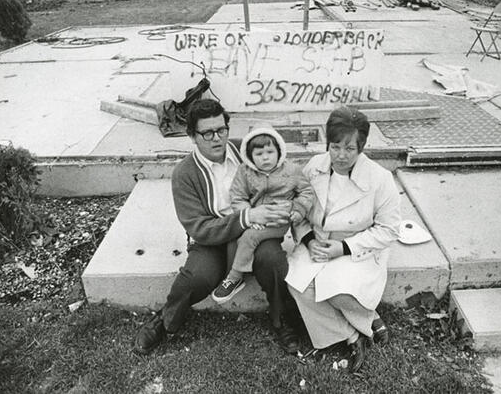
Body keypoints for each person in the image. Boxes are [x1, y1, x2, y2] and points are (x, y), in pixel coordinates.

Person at [133, 99, 302, 355]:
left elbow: (280, 175)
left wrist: (287, 209)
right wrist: (246, 216)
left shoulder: (244, 152)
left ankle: (282, 319)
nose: (217, 139)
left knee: (273, 260)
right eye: (207, 133)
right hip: (213, 238)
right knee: (197, 277)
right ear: (192, 136)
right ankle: (164, 320)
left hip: (255, 231)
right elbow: (200, 228)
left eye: (222, 130)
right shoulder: (185, 173)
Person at [285, 106, 401, 373]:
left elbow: (389, 229)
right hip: (318, 243)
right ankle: (351, 335)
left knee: (336, 289)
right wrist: (308, 239)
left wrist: (343, 247)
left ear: (362, 146)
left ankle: (367, 316)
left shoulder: (380, 179)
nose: (340, 155)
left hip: (356, 248)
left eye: (350, 149)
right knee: (298, 285)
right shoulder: (315, 166)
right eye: (335, 146)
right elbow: (299, 208)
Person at [211, 127, 313, 304]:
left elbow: (306, 191)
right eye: (259, 154)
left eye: (270, 152)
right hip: (257, 216)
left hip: (280, 218)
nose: (265, 157)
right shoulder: (244, 171)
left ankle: (235, 277)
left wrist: (298, 210)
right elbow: (238, 196)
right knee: (241, 234)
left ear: (279, 151)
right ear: (250, 156)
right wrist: (249, 216)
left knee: (249, 237)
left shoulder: (291, 170)